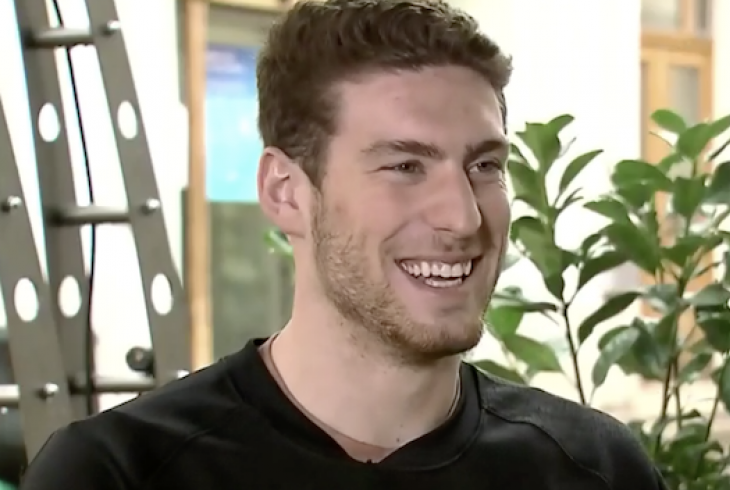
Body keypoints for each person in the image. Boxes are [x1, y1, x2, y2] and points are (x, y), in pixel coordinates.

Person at [21, 1, 668, 488]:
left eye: (485, 166)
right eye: (405, 166)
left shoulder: (595, 470)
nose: (463, 217)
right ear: (286, 192)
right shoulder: (118, 475)